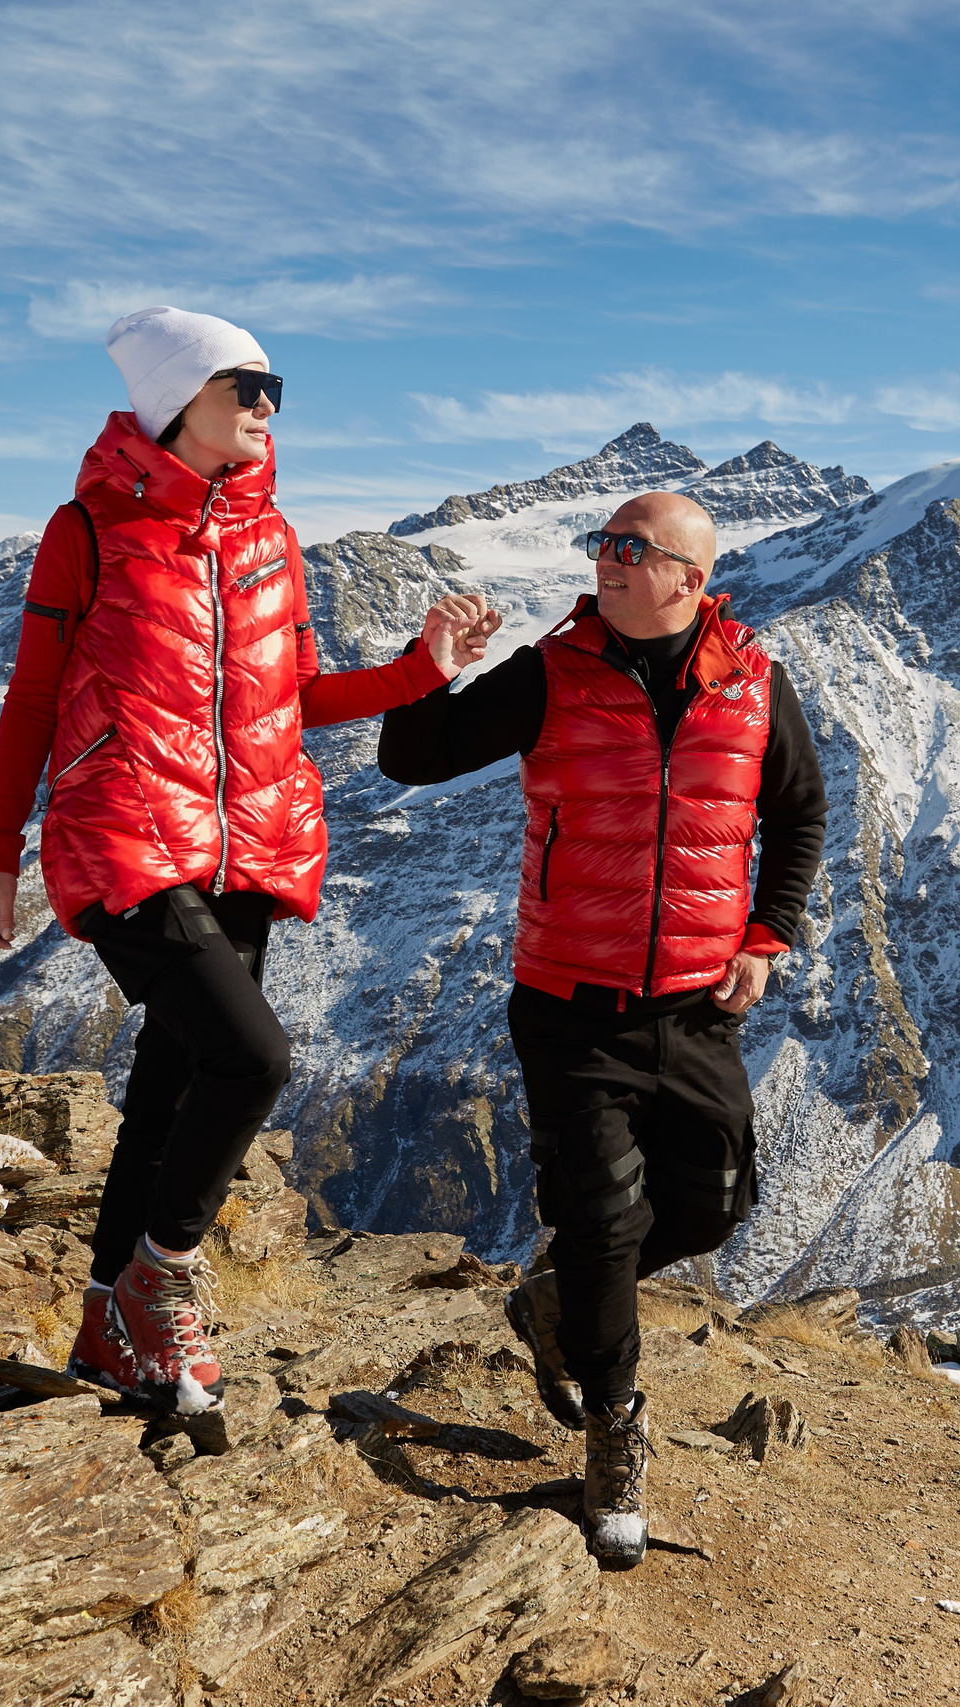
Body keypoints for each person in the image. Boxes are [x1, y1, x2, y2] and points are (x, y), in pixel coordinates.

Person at [0, 306, 499, 1415]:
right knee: (252, 1060)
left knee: (168, 1090)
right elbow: (32, 699)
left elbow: (298, 700)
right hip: (123, 833)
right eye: (242, 387)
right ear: (177, 403)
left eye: (271, 389)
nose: (266, 407)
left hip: (247, 844)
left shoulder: (271, 540)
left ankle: (109, 1328)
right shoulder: (92, 528)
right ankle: (164, 1281)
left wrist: (418, 670)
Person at [378, 491, 827, 1565]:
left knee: (716, 1206)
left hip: (696, 1005)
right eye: (602, 545)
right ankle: (612, 1431)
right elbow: (411, 758)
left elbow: (800, 811)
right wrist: (426, 665)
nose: (607, 562)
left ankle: (558, 1295)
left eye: (632, 549)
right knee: (604, 1217)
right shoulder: (553, 671)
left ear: (688, 578)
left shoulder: (756, 685)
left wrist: (766, 938)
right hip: (570, 1004)